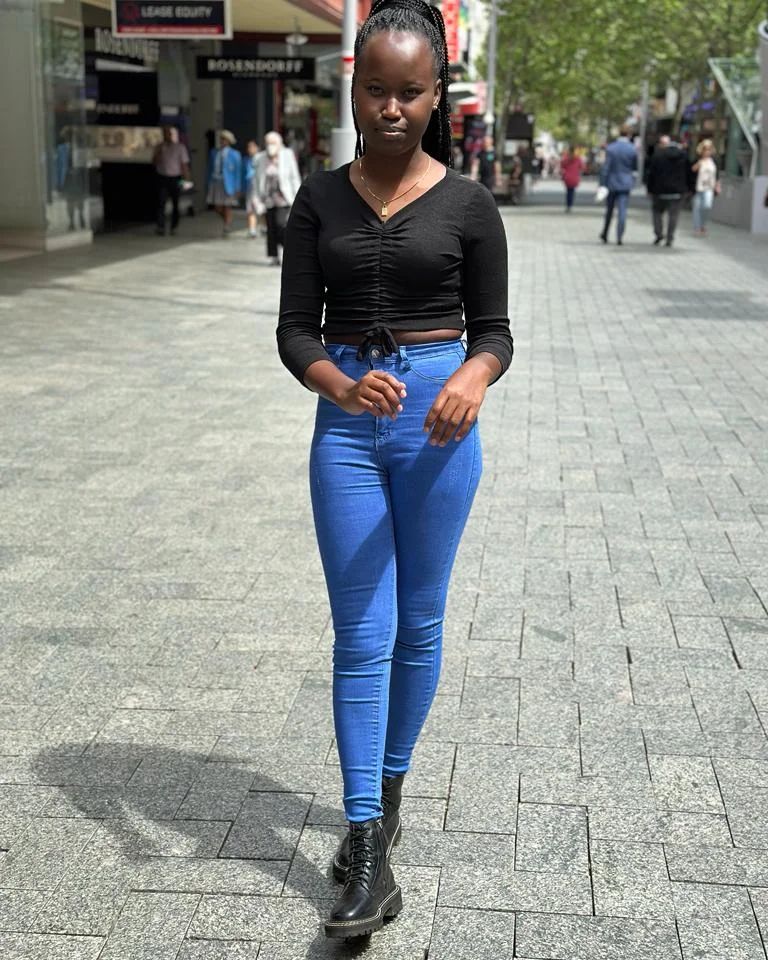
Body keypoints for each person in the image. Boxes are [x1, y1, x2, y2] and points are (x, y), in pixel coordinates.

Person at [277, 0, 513, 940]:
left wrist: (471, 377)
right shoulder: (317, 199)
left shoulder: (469, 204)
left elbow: (495, 332)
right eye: (375, 88)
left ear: (436, 94)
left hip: (438, 430)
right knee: (359, 633)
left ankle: (391, 793)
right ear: (354, 86)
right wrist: (338, 384)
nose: (390, 107)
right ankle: (368, 838)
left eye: (409, 92)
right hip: (346, 430)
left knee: (418, 623)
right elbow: (294, 330)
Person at [253, 131, 302, 265]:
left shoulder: (287, 155)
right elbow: (256, 180)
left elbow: (294, 177)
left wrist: (298, 195)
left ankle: (289, 250)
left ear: (279, 144)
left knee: (281, 225)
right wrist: (256, 199)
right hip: (268, 199)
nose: (270, 145)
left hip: (284, 198)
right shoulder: (260, 158)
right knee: (271, 228)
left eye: (273, 143)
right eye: (268, 143)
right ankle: (274, 256)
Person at [646, 134, 688, 247]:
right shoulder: (683, 155)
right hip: (677, 191)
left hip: (659, 191)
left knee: (657, 213)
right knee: (673, 215)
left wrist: (649, 189)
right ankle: (670, 238)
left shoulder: (658, 155)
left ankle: (659, 233)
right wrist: (688, 189)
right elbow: (688, 173)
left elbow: (651, 174)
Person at [599, 124, 638, 245]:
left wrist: (602, 184)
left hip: (611, 182)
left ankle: (605, 233)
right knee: (622, 211)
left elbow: (606, 168)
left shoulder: (611, 148)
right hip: (625, 183)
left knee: (609, 210)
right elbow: (634, 168)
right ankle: (619, 236)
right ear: (629, 134)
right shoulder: (632, 149)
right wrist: (633, 181)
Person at [152, 126, 190, 236]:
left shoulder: (180, 147)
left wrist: (187, 180)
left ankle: (174, 226)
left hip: (176, 178)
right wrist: (158, 152)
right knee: (161, 202)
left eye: (169, 134)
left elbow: (184, 165)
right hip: (162, 177)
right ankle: (160, 226)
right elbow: (154, 162)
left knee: (175, 203)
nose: (167, 136)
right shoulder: (159, 147)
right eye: (165, 134)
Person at [206, 130, 242, 236]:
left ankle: (227, 225)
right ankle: (227, 220)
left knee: (227, 205)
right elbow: (209, 168)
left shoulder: (235, 154)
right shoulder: (214, 152)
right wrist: (208, 182)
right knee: (217, 206)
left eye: (224, 139)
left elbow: (238, 171)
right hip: (216, 181)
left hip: (228, 183)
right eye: (221, 139)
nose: (222, 141)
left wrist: (237, 187)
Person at [691, 139, 719, 237]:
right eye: (705, 149)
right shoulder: (698, 160)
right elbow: (692, 171)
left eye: (709, 149)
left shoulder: (714, 161)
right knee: (697, 208)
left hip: (709, 188)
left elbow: (717, 175)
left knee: (707, 206)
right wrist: (698, 165)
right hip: (698, 188)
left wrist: (717, 185)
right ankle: (697, 228)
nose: (707, 151)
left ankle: (703, 225)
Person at [243, 139, 265, 239]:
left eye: (252, 147)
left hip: (261, 188)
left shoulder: (263, 158)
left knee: (262, 208)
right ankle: (252, 230)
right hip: (250, 187)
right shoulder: (246, 160)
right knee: (250, 208)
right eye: (248, 147)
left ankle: (264, 227)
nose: (250, 149)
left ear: (257, 147)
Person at [560, 146, 584, 213]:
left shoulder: (566, 158)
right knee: (572, 191)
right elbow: (582, 167)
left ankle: (568, 205)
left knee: (568, 191)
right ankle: (570, 205)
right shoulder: (578, 159)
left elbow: (562, 165)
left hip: (567, 177)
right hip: (574, 177)